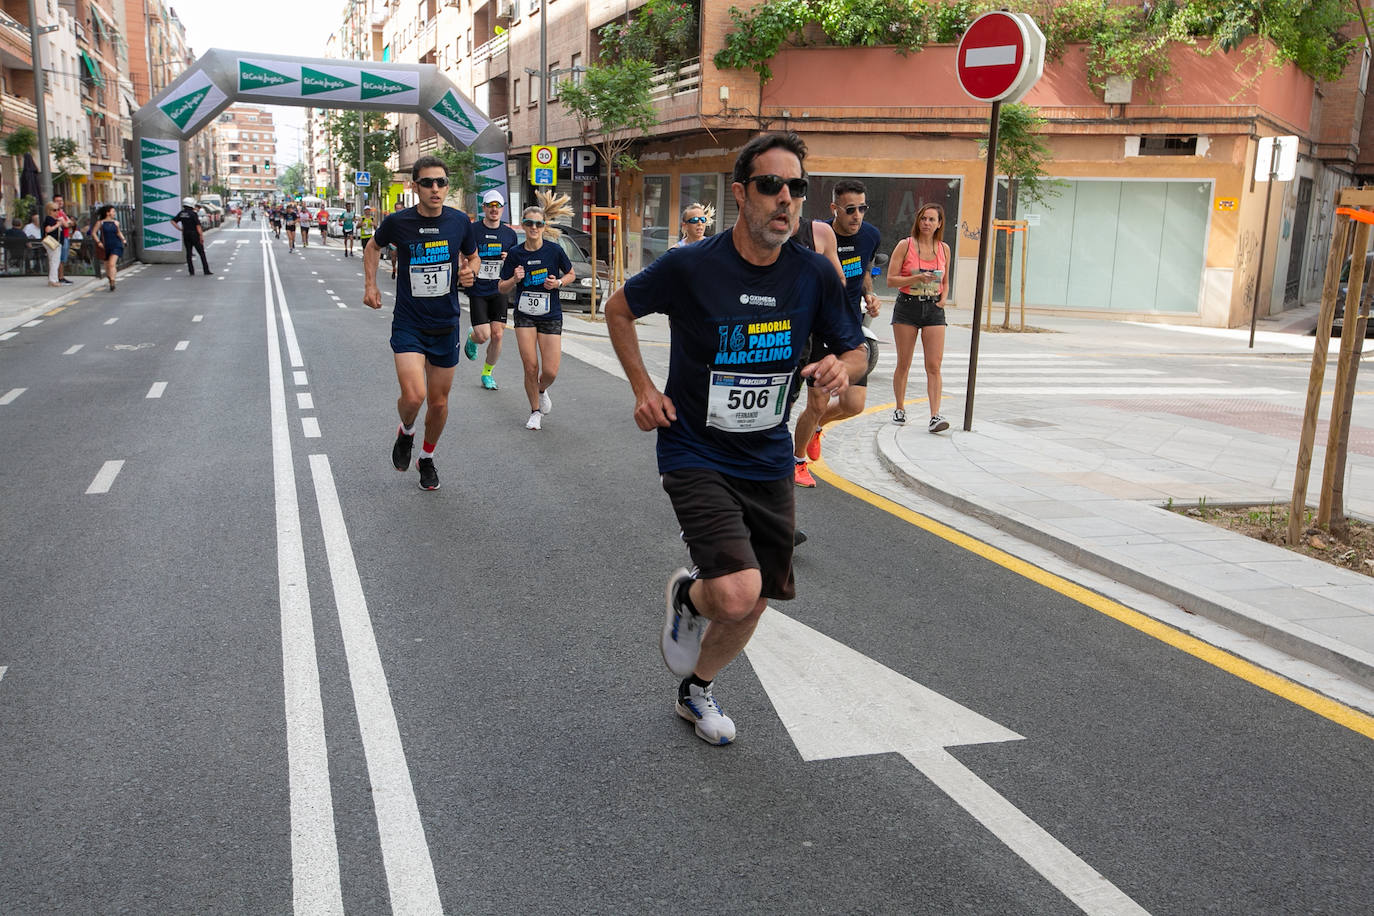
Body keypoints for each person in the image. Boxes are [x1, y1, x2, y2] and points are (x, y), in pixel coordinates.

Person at [604, 132, 866, 746]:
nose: (786, 199)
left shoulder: (812, 274)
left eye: (797, 188)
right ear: (741, 193)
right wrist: (643, 388)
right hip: (694, 447)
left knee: (758, 597)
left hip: (768, 453)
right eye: (772, 185)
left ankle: (696, 690)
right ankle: (692, 597)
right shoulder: (691, 264)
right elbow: (619, 310)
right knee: (736, 590)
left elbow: (853, 350)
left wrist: (842, 368)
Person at [362, 155, 479, 491]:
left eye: (441, 182)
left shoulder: (459, 222)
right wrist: (370, 285)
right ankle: (407, 430)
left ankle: (426, 457)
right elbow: (372, 247)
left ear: (447, 186)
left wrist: (470, 269)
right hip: (410, 323)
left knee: (439, 403)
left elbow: (472, 255)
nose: (435, 188)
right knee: (414, 396)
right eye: (427, 182)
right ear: (415, 186)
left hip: (445, 323)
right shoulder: (399, 222)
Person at [792, 179, 883, 485]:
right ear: (834, 209)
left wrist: (869, 295)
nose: (857, 215)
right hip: (819, 328)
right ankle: (797, 461)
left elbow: (865, 272)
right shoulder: (820, 235)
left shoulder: (871, 235)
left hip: (849, 327)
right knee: (816, 403)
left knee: (853, 405)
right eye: (850, 209)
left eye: (863, 208)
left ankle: (817, 427)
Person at [498, 204, 575, 429]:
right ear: (523, 225)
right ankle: (534, 411)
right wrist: (514, 279)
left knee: (550, 370)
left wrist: (558, 283)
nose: (534, 227)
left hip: (550, 313)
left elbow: (570, 274)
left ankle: (542, 389)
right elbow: (502, 287)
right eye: (530, 223)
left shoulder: (554, 250)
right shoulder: (515, 253)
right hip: (524, 315)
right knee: (530, 366)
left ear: (544, 226)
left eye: (538, 223)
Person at [887, 202, 952, 433]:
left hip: (934, 309)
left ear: (939, 224)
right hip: (907, 307)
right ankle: (900, 407)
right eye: (923, 219)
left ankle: (935, 415)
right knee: (904, 362)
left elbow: (945, 281)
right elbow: (891, 280)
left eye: (932, 220)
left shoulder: (944, 248)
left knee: (934, 365)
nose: (926, 223)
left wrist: (943, 298)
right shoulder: (905, 245)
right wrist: (915, 279)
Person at [463, 189, 518, 391]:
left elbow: (515, 261)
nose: (494, 210)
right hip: (478, 289)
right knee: (483, 335)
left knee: (498, 335)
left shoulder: (510, 234)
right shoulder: (473, 230)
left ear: (503, 209)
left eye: (498, 206)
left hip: (499, 288)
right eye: (490, 206)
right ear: (484, 208)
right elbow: (464, 254)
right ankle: (472, 337)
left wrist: (508, 259)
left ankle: (487, 373)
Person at [171, 197, 212, 276]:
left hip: (186, 234)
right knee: (201, 253)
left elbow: (173, 221)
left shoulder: (182, 213)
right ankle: (206, 270)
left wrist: (180, 229)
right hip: (194, 235)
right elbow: (198, 226)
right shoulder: (193, 214)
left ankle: (191, 271)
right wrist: (201, 236)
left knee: (189, 253)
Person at [91, 205, 126, 291]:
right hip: (105, 246)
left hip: (116, 245)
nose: (114, 213)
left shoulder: (116, 223)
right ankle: (110, 278)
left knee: (112, 264)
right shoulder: (100, 223)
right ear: (107, 213)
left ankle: (113, 282)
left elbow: (118, 232)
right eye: (113, 211)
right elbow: (93, 233)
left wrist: (124, 240)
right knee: (107, 266)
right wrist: (98, 242)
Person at [51, 194, 75, 284]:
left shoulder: (62, 212)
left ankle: (60, 276)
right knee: (61, 258)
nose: (60, 202)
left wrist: (69, 223)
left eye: (61, 200)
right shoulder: (58, 213)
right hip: (62, 237)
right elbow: (66, 224)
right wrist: (69, 223)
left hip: (65, 236)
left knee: (63, 258)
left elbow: (70, 223)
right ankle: (60, 277)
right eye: (57, 201)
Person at [41, 202, 64, 287]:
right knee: (54, 261)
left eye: (58, 209)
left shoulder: (55, 219)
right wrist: (57, 225)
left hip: (56, 242)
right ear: (49, 211)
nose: (57, 212)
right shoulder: (49, 219)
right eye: (55, 210)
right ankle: (53, 280)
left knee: (54, 261)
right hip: (52, 242)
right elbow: (48, 230)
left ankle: (54, 279)